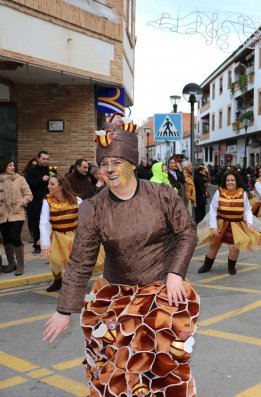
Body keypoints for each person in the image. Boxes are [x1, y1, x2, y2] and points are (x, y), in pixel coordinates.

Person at [42, 114, 199, 396]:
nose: (109, 170)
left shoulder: (161, 194)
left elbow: (187, 231)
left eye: (117, 163)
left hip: (161, 290)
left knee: (162, 364)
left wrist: (175, 273)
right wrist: (64, 309)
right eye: (104, 164)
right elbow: (80, 261)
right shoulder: (92, 208)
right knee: (118, 367)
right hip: (116, 295)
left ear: (132, 165)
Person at [197, 172, 261, 275]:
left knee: (234, 247)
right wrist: (213, 227)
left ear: (236, 182)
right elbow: (213, 210)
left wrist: (249, 223)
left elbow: (247, 210)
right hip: (221, 223)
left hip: (237, 224)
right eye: (228, 180)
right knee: (214, 244)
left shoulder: (243, 194)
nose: (230, 182)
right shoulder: (219, 192)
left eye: (232, 180)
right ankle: (207, 265)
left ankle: (231, 266)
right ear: (225, 182)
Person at [40, 175, 82, 291]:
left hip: (73, 235)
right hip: (57, 235)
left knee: (73, 261)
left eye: (52, 184)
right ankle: (57, 281)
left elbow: (85, 217)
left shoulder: (76, 199)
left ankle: (74, 283)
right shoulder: (47, 201)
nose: (49, 186)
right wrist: (45, 243)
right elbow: (44, 222)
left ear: (61, 186)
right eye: (49, 184)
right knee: (55, 260)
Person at [0, 157, 33, 275]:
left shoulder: (20, 179)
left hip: (17, 213)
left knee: (15, 237)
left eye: (13, 165)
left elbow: (29, 195)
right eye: (10, 165)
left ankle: (20, 264)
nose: (13, 167)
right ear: (4, 166)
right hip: (3, 214)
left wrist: (21, 203)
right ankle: (11, 263)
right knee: (6, 239)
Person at [25, 150, 50, 254]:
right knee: (36, 224)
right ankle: (37, 245)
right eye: (43, 159)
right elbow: (28, 186)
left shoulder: (49, 169)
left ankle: (47, 244)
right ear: (38, 158)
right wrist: (42, 180)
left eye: (47, 159)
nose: (45, 161)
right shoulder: (31, 171)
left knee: (47, 223)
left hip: (46, 200)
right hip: (34, 201)